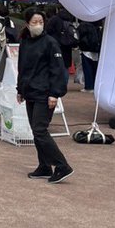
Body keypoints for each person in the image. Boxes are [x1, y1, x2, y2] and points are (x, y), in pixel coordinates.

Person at [16, 10, 73, 184]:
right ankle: (44, 166)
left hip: (45, 93)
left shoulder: (50, 43)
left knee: (40, 130)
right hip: (30, 92)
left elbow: (58, 70)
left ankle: (62, 165)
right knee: (36, 131)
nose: (38, 24)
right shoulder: (25, 42)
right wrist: (20, 89)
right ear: (27, 24)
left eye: (41, 21)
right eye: (35, 22)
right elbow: (22, 67)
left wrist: (55, 94)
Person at [76, 18, 102, 94]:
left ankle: (88, 86)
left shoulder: (83, 25)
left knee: (87, 69)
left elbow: (78, 36)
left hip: (86, 49)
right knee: (94, 69)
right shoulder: (97, 25)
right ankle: (95, 86)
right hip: (95, 49)